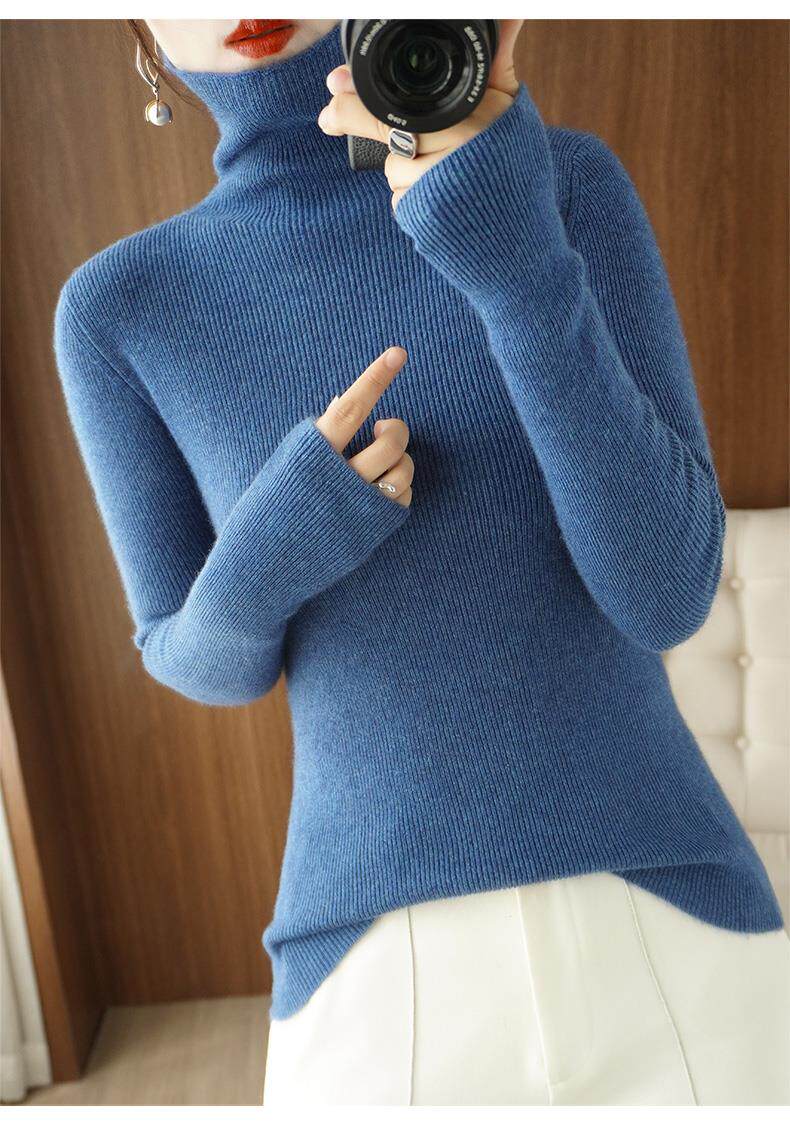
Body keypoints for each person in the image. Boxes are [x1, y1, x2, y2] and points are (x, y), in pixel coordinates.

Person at [53, 19, 789, 1106]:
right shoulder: (121, 306)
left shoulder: (560, 182)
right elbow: (195, 659)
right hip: (373, 980)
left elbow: (667, 592)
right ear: (137, 29)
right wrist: (270, 551)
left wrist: (516, 267)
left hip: (676, 929)